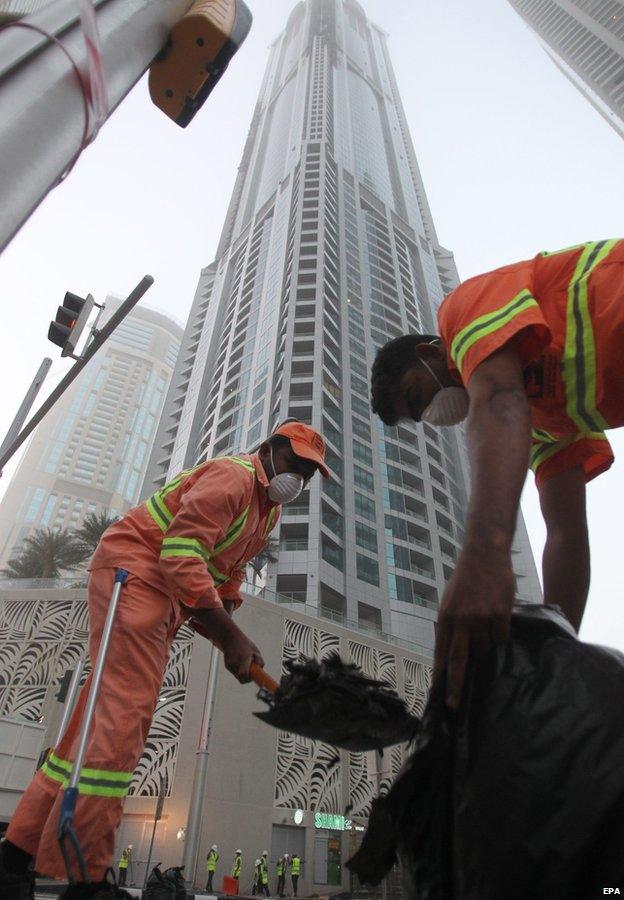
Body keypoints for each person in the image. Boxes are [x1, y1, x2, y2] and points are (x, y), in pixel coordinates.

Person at [0, 421, 328, 900]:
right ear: (270, 449)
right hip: (134, 576)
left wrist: (232, 640)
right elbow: (180, 552)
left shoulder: (266, 515)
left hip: (161, 594)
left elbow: (223, 583)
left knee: (89, 735)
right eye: (294, 463)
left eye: (308, 473)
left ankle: (12, 861)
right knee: (123, 721)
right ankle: (87, 880)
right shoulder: (235, 478)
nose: (297, 478)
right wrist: (231, 637)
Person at [370, 238, 624, 709]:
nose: (429, 411)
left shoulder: (462, 310)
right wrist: (554, 648)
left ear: (431, 351)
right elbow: (565, 531)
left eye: (417, 394)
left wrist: (486, 557)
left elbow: (499, 400)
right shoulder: (544, 419)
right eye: (417, 414)